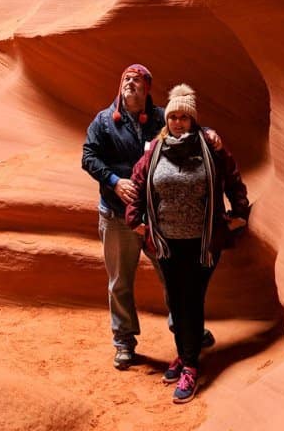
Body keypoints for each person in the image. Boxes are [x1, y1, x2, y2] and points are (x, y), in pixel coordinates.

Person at [82, 66, 220, 369]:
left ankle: (186, 331)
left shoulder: (160, 118)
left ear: (147, 89)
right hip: (117, 215)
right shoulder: (104, 122)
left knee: (172, 277)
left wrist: (208, 132)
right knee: (120, 281)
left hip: (156, 220)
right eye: (126, 79)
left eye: (138, 80)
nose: (131, 83)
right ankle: (124, 342)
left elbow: (187, 126)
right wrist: (115, 182)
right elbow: (88, 157)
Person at [126, 83, 250, 403]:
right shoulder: (155, 148)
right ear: (167, 119)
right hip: (166, 242)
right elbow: (138, 181)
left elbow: (232, 176)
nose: (178, 122)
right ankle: (185, 353)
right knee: (177, 301)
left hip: (202, 242)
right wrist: (134, 219)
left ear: (193, 120)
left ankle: (190, 365)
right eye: (173, 116)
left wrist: (239, 211)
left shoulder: (210, 147)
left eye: (184, 117)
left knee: (190, 300)